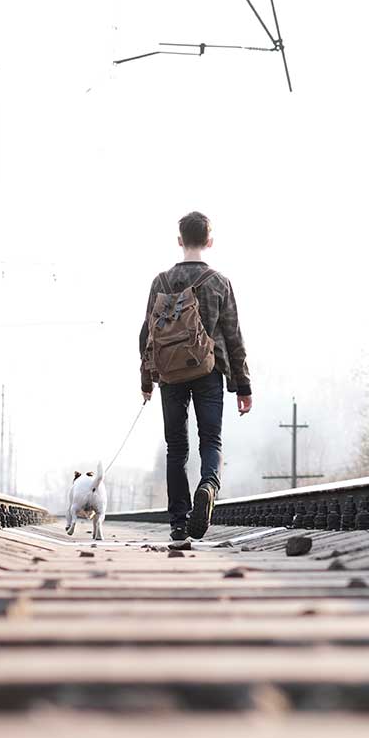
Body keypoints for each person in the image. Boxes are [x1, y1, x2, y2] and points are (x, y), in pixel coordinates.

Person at [140, 211, 252, 540]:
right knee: (210, 441)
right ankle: (208, 485)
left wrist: (147, 380)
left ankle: (178, 521)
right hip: (209, 370)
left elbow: (148, 333)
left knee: (176, 448)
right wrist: (242, 385)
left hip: (169, 373)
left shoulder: (160, 281)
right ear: (209, 241)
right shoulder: (220, 282)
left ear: (179, 241)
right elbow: (233, 337)